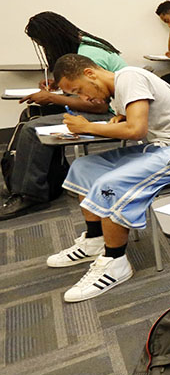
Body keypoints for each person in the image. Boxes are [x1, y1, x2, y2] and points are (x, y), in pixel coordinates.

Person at [45, 55, 170, 302]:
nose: (84, 99)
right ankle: (95, 239)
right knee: (84, 167)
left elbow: (136, 131)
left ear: (91, 74)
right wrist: (121, 118)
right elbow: (138, 120)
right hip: (162, 147)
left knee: (110, 183)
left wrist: (87, 127)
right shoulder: (118, 91)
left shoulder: (130, 77)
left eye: (79, 90)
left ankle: (115, 261)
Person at [0, 12, 126, 220]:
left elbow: (98, 106)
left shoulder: (90, 53)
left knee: (33, 129)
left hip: (112, 114)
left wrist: (53, 97)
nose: (43, 48)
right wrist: (58, 86)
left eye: (42, 43)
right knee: (31, 114)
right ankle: (49, 177)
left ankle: (30, 194)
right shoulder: (82, 43)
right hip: (102, 108)